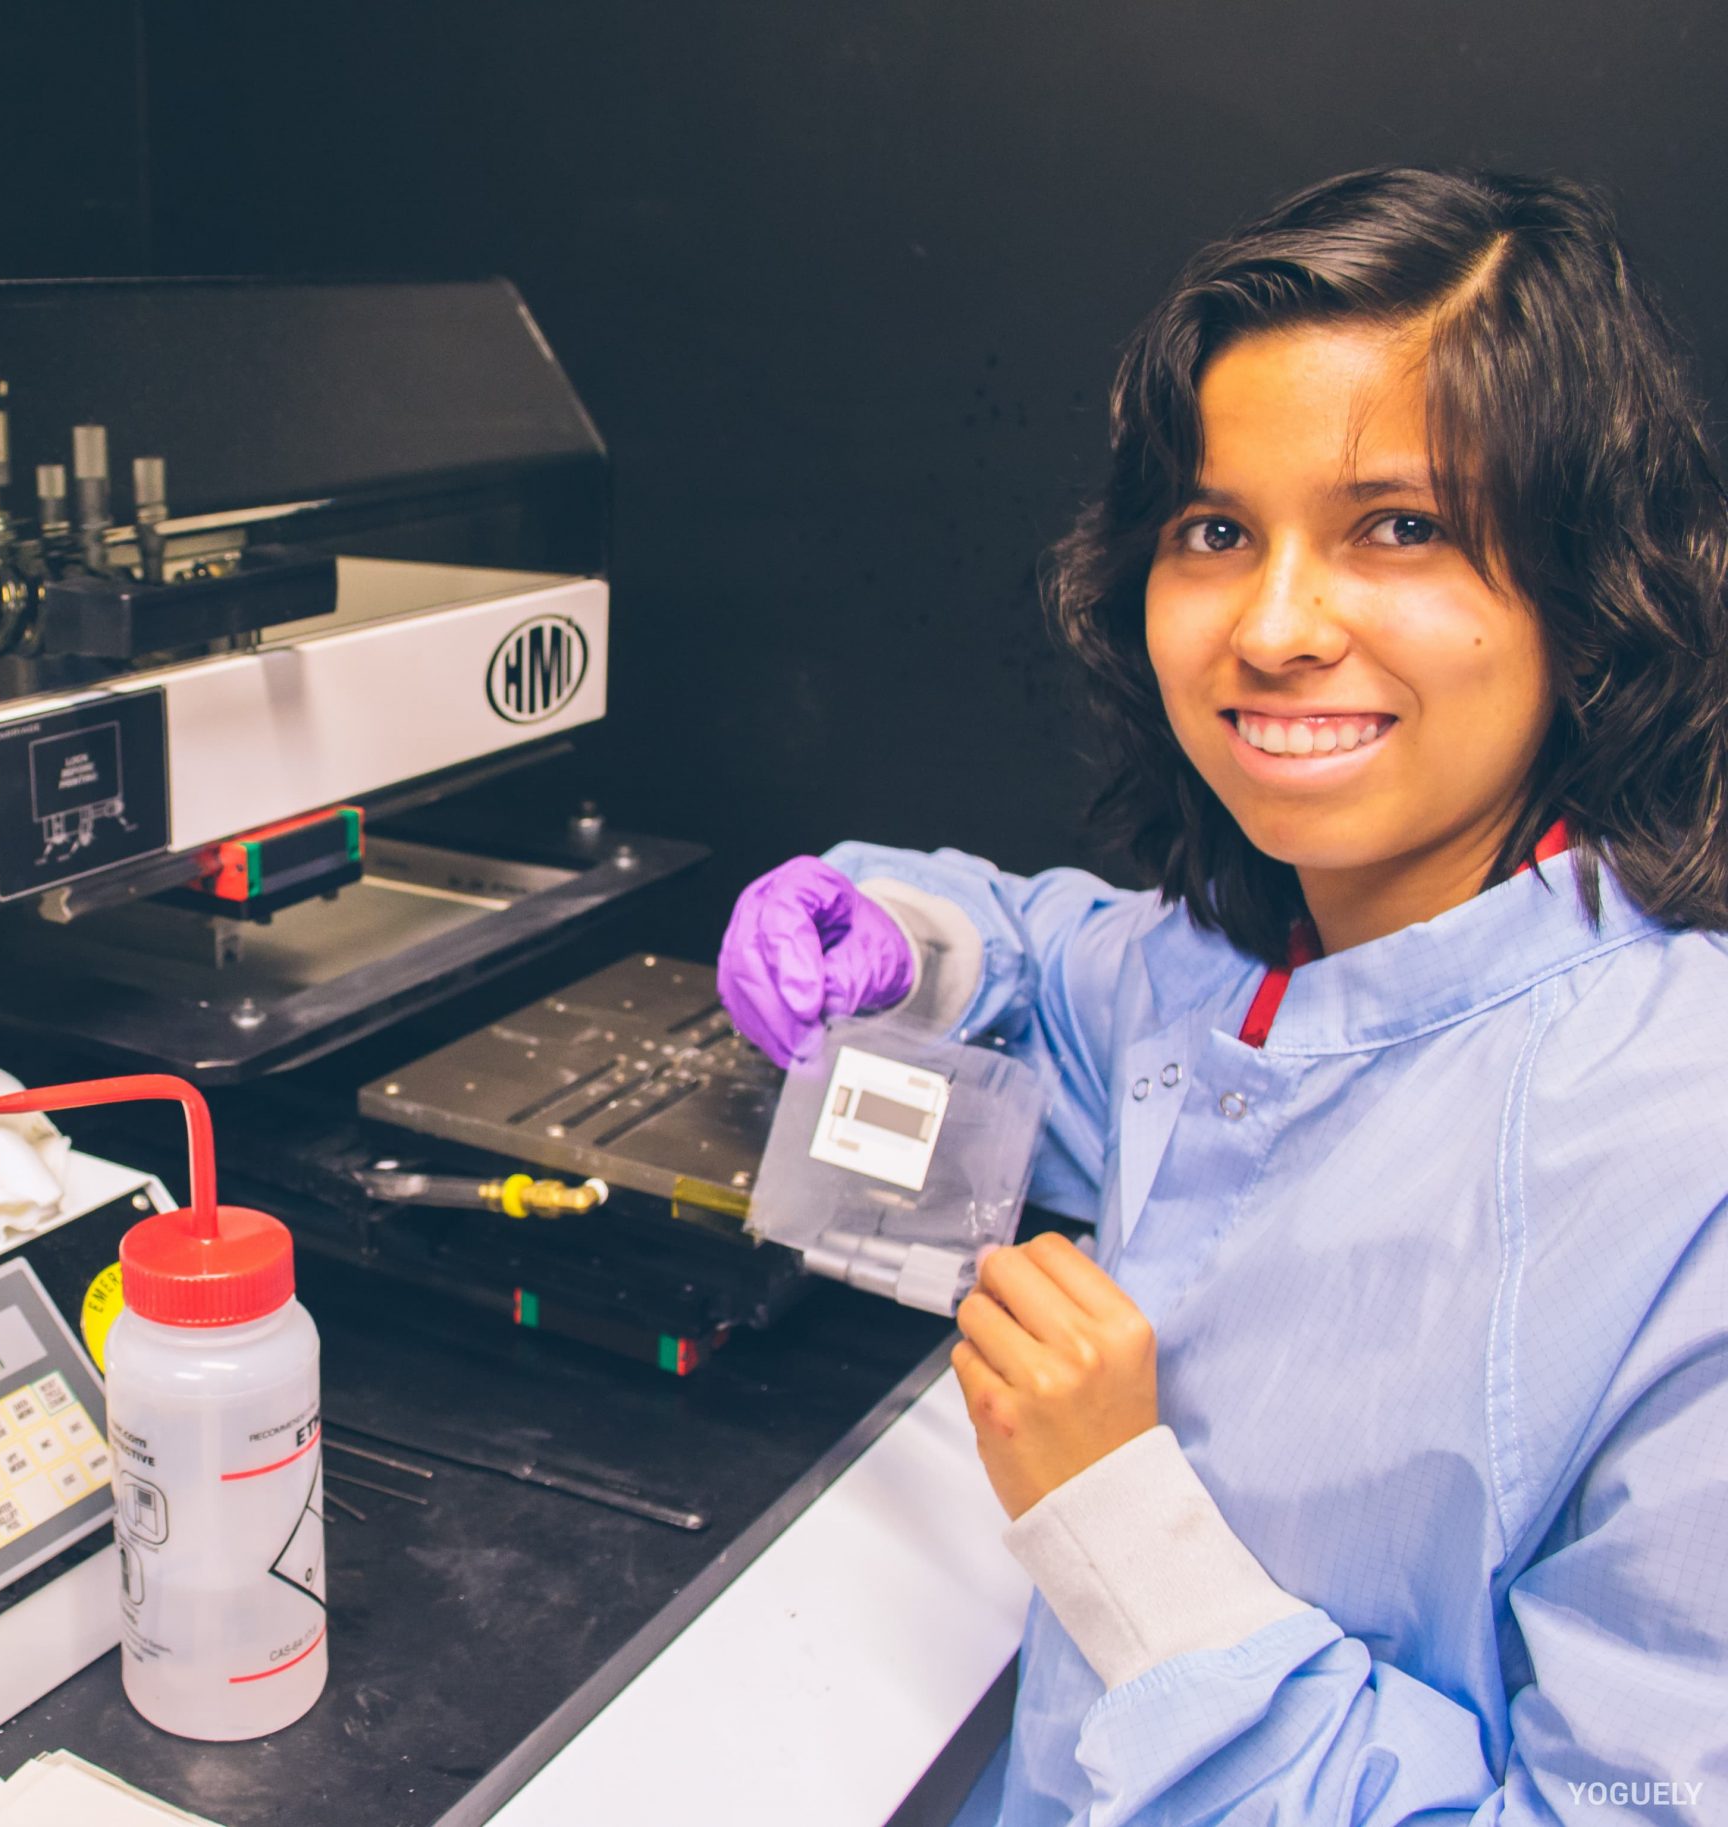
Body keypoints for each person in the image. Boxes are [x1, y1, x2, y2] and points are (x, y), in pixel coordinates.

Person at [716, 167, 1728, 1824]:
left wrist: (1119, 1528)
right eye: (1216, 532)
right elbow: (1049, 961)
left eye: (1395, 527)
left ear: (1588, 582)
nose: (1271, 627)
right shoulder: (1266, 961)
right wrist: (904, 934)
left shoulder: (1687, 1173)